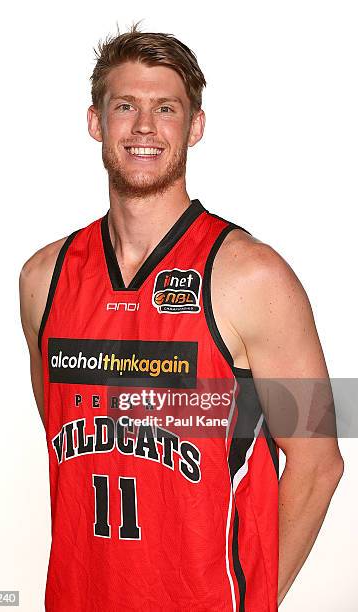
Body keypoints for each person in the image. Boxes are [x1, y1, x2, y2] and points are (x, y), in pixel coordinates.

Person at [19, 23, 344, 611]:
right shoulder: (44, 278)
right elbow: (65, 433)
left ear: (194, 127)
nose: (144, 127)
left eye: (165, 109)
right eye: (125, 106)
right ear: (96, 122)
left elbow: (319, 463)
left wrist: (251, 601)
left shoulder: (254, 277)